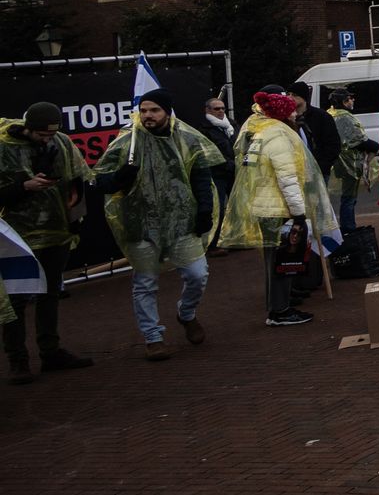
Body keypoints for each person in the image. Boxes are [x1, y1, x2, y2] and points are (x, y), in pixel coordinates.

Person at [94, 90, 226, 360]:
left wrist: (205, 211)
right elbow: (101, 181)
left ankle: (186, 314)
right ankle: (153, 337)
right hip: (140, 223)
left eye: (154, 110)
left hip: (182, 222)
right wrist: (121, 177)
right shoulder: (127, 141)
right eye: (143, 110)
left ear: (167, 111)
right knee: (145, 282)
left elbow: (201, 176)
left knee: (197, 275)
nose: (148, 116)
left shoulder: (187, 139)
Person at [217, 90, 336, 326]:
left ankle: (278, 307)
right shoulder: (280, 136)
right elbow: (287, 178)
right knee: (282, 261)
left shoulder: (262, 132)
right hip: (277, 209)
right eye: (291, 110)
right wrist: (299, 213)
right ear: (283, 114)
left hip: (265, 206)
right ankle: (280, 311)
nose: (295, 114)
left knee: (274, 260)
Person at [1, 102, 94, 383]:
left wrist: (74, 218)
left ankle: (50, 352)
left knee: (50, 293)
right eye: (41, 134)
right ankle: (17, 360)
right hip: (15, 236)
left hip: (56, 230)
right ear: (28, 127)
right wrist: (22, 187)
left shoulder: (61, 143)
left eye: (51, 134)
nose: (47, 139)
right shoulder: (4, 146)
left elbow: (76, 180)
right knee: (16, 300)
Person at [326, 89, 379, 231]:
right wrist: (376, 146)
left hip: (338, 161)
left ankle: (347, 227)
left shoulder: (330, 114)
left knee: (347, 197)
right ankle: (348, 228)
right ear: (344, 102)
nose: (353, 100)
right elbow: (358, 140)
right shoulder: (344, 117)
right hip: (348, 162)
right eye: (350, 98)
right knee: (349, 198)